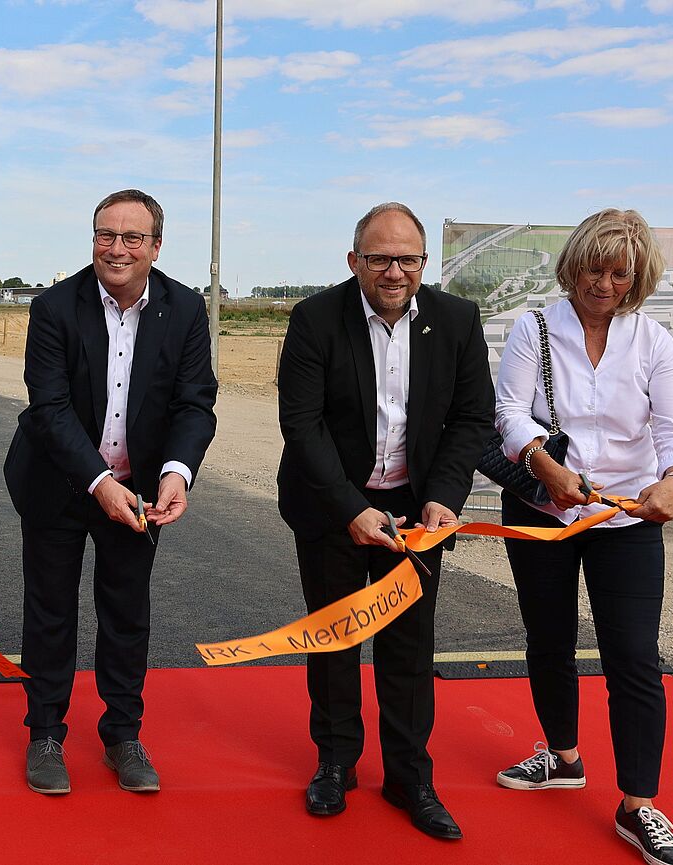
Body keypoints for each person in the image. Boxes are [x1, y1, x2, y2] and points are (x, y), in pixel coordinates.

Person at [276, 202, 493, 839]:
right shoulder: (315, 318)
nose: (394, 271)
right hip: (332, 509)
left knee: (408, 648)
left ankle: (409, 777)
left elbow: (472, 420)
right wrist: (352, 510)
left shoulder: (456, 321)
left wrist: (444, 498)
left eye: (408, 259)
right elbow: (302, 425)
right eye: (380, 258)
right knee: (335, 639)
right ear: (355, 262)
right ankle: (336, 762)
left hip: (415, 516)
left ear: (424, 263)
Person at [493, 208, 673, 865]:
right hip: (543, 509)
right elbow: (507, 412)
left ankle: (638, 805)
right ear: (572, 263)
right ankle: (563, 755)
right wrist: (542, 462)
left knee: (634, 655)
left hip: (627, 517)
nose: (602, 283)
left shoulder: (654, 342)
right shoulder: (533, 328)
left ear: (637, 279)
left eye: (618, 273)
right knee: (548, 639)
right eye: (593, 268)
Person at [4, 189, 217, 795]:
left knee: (126, 612)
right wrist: (97, 482)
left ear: (155, 246)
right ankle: (45, 731)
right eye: (105, 235)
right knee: (50, 612)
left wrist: (176, 471)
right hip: (56, 482)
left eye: (131, 238)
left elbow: (195, 402)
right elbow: (48, 407)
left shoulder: (184, 309)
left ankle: (123, 734)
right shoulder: (54, 307)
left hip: (140, 490)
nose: (116, 248)